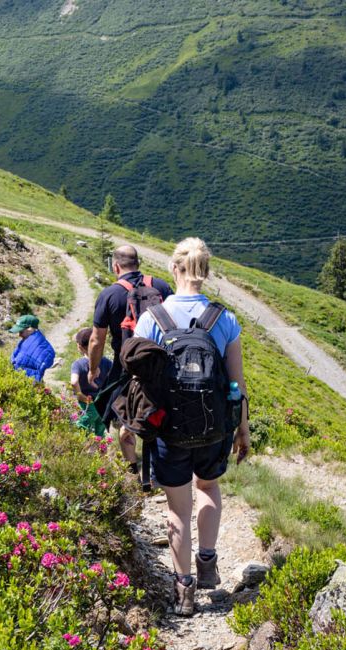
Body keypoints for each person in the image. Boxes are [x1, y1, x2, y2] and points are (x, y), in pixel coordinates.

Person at [134, 237, 251, 617]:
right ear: (206, 272)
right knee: (209, 487)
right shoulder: (225, 319)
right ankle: (207, 561)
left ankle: (184, 589)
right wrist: (242, 428)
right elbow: (236, 385)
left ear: (174, 269)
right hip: (214, 427)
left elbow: (139, 380)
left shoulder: (153, 319)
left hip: (169, 429)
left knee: (176, 508)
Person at [88, 245, 172, 467]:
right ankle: (161, 464)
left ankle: (132, 467)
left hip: (126, 365)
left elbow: (97, 339)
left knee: (124, 415)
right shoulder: (161, 286)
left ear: (116, 266)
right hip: (163, 362)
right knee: (161, 409)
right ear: (138, 264)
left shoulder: (110, 294)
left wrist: (92, 368)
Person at [70, 328, 112, 436]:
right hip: (102, 404)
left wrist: (80, 396)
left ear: (79, 347)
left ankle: (84, 451)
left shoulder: (78, 364)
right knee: (100, 432)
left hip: (87, 404)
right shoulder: (106, 361)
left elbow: (74, 381)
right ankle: (100, 451)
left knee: (82, 430)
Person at [9, 314, 55, 383]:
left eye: (21, 331)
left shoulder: (34, 344)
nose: (19, 335)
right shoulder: (31, 340)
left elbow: (17, 363)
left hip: (27, 383)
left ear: (30, 329)